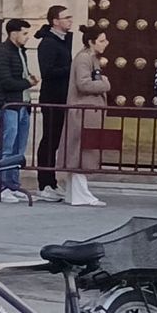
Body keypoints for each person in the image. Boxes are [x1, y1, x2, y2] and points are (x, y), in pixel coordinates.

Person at [0, 18, 39, 203]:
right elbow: (5, 81)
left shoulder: (20, 52)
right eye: (24, 33)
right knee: (6, 148)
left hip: (22, 105)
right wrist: (28, 83)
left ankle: (13, 184)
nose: (27, 37)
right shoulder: (2, 53)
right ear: (13, 33)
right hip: (7, 105)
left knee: (18, 148)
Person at [61, 26, 110, 207]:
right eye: (102, 40)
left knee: (82, 151)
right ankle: (81, 194)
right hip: (83, 110)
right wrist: (105, 84)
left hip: (87, 111)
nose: (106, 43)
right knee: (81, 152)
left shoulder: (91, 58)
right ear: (91, 42)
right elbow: (83, 84)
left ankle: (75, 193)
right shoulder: (84, 58)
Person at [34, 5, 74, 202]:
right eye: (66, 18)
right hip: (51, 98)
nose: (70, 20)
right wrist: (71, 69)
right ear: (55, 21)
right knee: (48, 140)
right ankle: (44, 183)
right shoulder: (48, 43)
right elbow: (47, 72)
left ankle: (52, 181)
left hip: (61, 98)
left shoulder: (63, 41)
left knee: (54, 140)